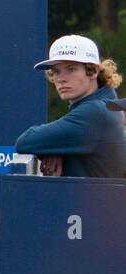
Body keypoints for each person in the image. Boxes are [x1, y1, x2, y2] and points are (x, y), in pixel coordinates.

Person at [16, 35, 126, 178]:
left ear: (93, 71)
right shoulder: (105, 104)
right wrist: (57, 149)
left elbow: (25, 141)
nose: (61, 78)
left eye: (71, 69)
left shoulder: (93, 112)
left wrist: (54, 148)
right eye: (56, 71)